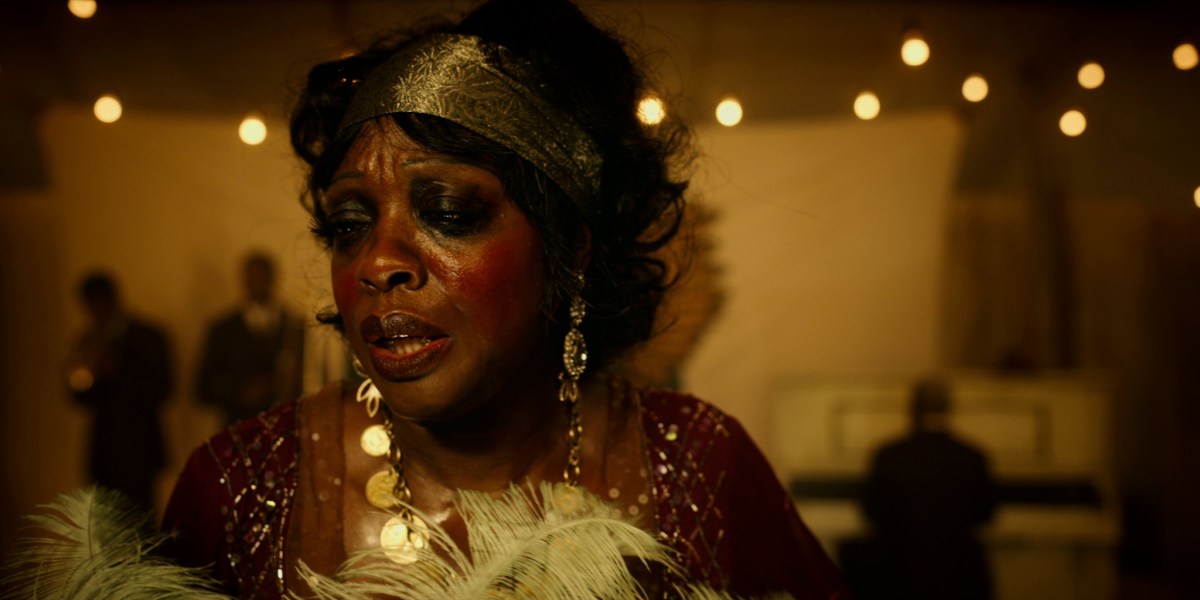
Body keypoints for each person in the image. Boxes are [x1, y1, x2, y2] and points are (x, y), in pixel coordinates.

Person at [161, 1, 849, 597]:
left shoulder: (700, 468)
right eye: (349, 225)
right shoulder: (241, 489)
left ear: (569, 247)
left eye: (450, 212)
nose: (377, 262)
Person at [853, 377, 997, 600]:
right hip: (959, 575)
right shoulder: (972, 456)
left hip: (899, 573)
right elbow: (986, 514)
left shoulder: (888, 455)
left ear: (913, 409)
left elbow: (870, 511)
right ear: (949, 408)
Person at [65, 271, 173, 511]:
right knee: (105, 527)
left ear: (111, 300)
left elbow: (163, 390)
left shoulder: (148, 336)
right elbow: (78, 398)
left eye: (97, 304)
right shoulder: (86, 340)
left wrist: (118, 371)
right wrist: (83, 374)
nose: (94, 312)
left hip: (139, 449)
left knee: (141, 525)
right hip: (104, 452)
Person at [195, 251, 306, 425]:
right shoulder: (222, 330)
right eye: (251, 277)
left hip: (284, 427)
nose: (257, 282)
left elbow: (307, 377)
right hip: (238, 430)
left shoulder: (295, 327)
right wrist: (239, 393)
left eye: (262, 276)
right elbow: (203, 390)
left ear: (273, 278)